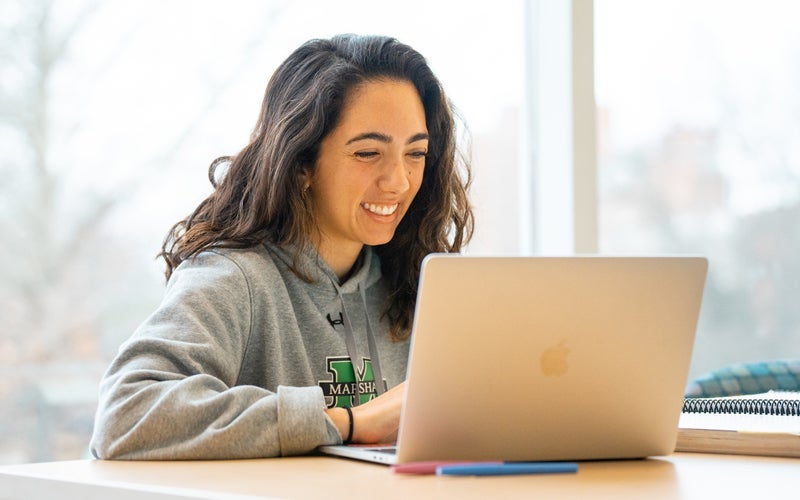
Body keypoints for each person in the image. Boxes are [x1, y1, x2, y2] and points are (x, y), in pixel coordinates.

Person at [90, 34, 474, 460]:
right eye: (368, 153)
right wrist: (346, 422)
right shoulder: (235, 278)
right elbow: (125, 414)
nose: (399, 181)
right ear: (302, 163)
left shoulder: (420, 282)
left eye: (416, 153)